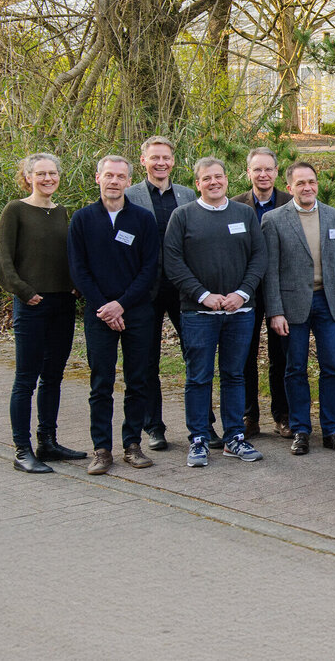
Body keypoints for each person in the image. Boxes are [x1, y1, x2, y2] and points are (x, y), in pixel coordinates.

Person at [162, 157, 267, 467]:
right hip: (198, 313)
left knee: (235, 375)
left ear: (226, 180)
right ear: (198, 183)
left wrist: (242, 293)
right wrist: (203, 295)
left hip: (240, 311)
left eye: (218, 177)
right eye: (206, 178)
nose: (214, 182)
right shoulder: (182, 216)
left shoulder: (244, 214)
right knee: (199, 377)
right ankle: (199, 439)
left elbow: (259, 257)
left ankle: (235, 437)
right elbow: (173, 262)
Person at [67, 156, 161, 475]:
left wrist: (121, 304)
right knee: (101, 382)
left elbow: (150, 268)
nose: (114, 181)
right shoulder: (82, 219)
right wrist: (105, 308)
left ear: (127, 182)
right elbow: (78, 270)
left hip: (137, 313)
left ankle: (132, 444)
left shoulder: (143, 219)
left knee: (137, 380)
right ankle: (101, 449)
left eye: (121, 177)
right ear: (98, 178)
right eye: (109, 175)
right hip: (98, 314)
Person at [0, 153, 84, 473]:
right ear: (28, 176)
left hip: (62, 304)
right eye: (40, 174)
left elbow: (67, 256)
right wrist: (24, 291)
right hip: (32, 305)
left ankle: (47, 442)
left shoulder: (61, 212)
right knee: (25, 379)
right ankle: (22, 450)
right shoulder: (15, 210)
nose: (48, 178)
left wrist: (75, 285)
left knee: (53, 376)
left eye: (52, 173)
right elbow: (3, 260)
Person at [262, 162, 335, 455]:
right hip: (292, 305)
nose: (307, 187)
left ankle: (333, 429)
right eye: (300, 183)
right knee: (295, 369)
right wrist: (275, 311)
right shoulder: (274, 220)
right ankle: (301, 429)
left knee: (331, 368)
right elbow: (271, 272)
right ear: (289, 187)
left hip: (329, 303)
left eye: (312, 182)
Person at [124, 135, 196, 450]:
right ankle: (153, 427)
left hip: (184, 290)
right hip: (144, 292)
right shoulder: (129, 196)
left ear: (173, 161)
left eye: (166, 157)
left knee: (196, 357)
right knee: (146, 361)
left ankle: (202, 425)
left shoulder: (188, 195)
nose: (161, 163)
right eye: (155, 157)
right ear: (144, 161)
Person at [230, 147, 292, 437]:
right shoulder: (234, 206)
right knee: (245, 355)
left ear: (277, 172)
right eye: (257, 169)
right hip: (246, 291)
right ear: (248, 173)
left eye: (268, 169)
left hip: (281, 290)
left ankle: (283, 415)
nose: (263, 174)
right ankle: (248, 416)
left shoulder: (291, 203)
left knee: (281, 355)